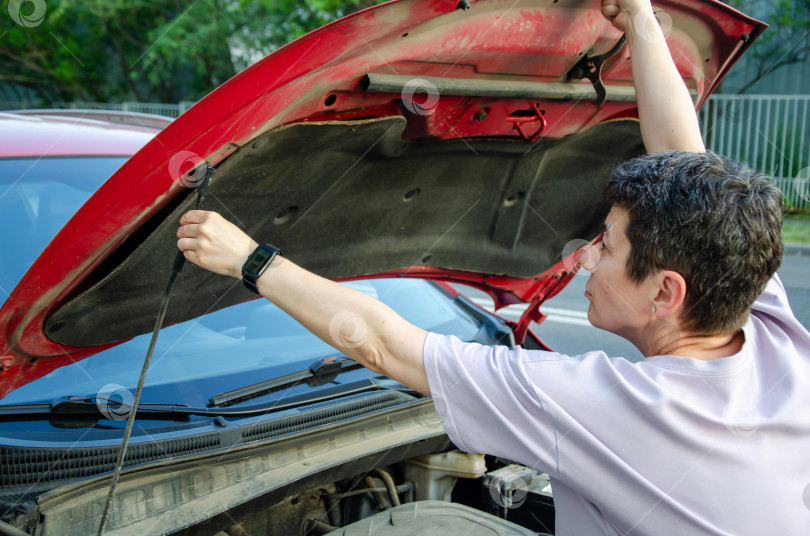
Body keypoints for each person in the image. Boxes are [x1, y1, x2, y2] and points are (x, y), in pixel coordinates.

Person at [176, 0, 810, 534]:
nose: (582, 256)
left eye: (607, 247)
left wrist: (250, 259)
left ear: (667, 292)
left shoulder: (613, 406)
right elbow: (681, 153)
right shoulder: (770, 332)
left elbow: (380, 345)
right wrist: (642, 19)